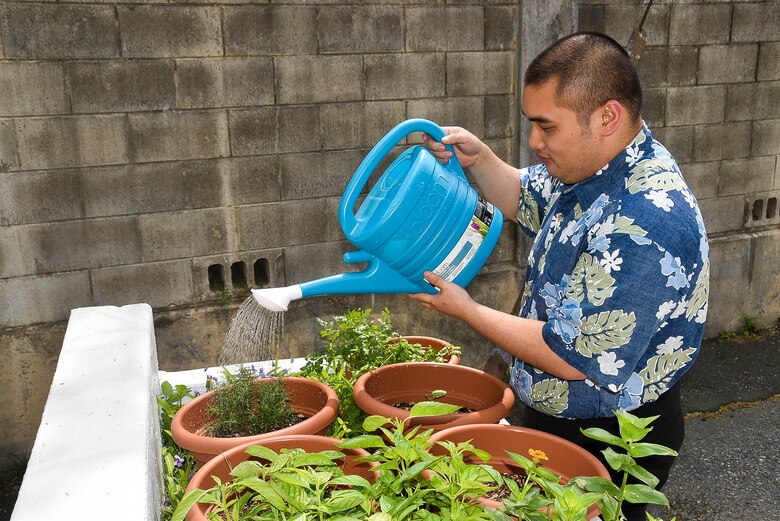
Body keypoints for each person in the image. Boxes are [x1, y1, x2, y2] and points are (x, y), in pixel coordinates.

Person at [412, 32, 709, 520]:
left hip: (613, 435)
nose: (534, 142)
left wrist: (467, 310)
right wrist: (479, 160)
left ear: (607, 117)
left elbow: (571, 355)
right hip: (560, 414)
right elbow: (525, 195)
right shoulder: (595, 167)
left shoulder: (644, 223)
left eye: (545, 127)